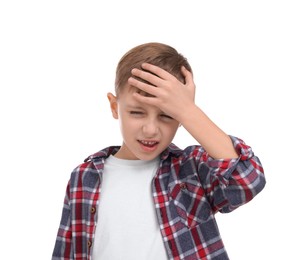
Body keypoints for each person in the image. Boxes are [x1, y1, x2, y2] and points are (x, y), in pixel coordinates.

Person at [52, 42, 266, 260]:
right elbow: (65, 253)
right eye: (137, 112)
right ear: (115, 106)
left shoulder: (190, 169)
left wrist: (187, 110)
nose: (150, 129)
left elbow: (247, 179)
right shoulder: (83, 177)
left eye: (166, 115)